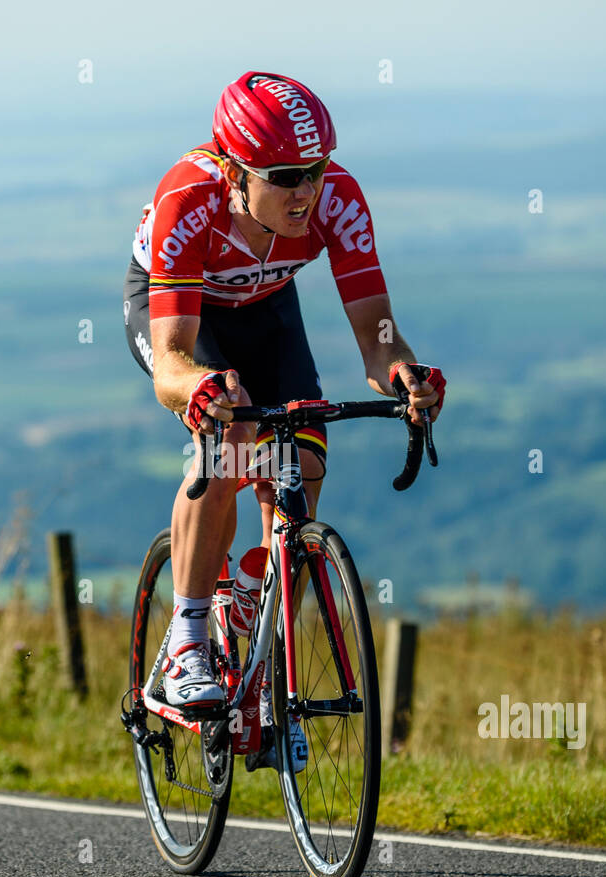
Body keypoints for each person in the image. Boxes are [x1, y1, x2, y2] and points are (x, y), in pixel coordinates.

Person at [123, 71, 445, 723]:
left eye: (315, 169)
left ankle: (260, 650)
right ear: (236, 170)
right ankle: (186, 640)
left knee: (304, 454)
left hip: (267, 308)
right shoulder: (190, 201)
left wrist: (406, 375)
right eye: (284, 175)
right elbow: (172, 365)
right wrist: (201, 391)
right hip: (184, 316)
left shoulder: (338, 200)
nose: (306, 190)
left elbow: (378, 338)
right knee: (233, 433)